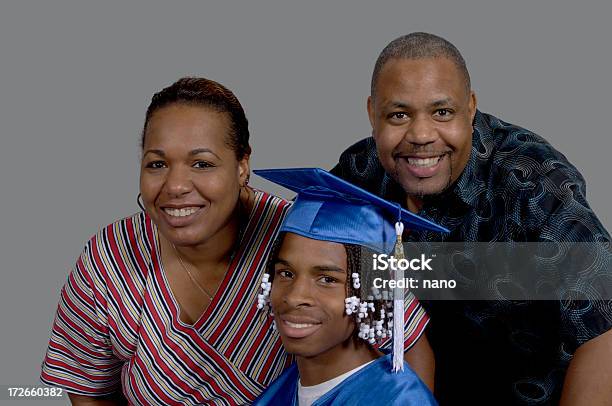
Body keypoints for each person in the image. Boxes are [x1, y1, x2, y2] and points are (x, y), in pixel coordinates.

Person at [331, 32, 612, 405]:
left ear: (471, 106)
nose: (420, 135)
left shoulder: (532, 182)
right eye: (399, 115)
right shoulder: (359, 174)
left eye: (442, 112)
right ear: (372, 113)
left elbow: (604, 329)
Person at [40, 77, 293, 405]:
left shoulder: (302, 238)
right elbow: (87, 391)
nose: (175, 186)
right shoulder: (109, 257)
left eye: (201, 164)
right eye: (157, 164)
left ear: (242, 164)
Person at [252, 168, 441, 405]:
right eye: (286, 273)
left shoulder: (400, 400)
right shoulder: (277, 395)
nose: (295, 296)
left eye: (327, 279)